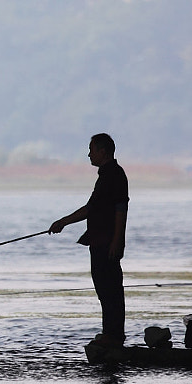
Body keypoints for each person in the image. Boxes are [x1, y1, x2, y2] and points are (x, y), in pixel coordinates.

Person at [49, 133, 128, 355]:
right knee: (104, 290)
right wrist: (64, 222)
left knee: (110, 289)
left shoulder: (114, 175)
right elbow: (91, 209)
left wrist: (117, 240)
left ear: (103, 152)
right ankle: (110, 333)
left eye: (92, 149)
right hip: (98, 241)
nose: (89, 154)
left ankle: (114, 336)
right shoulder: (105, 176)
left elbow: (121, 209)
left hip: (107, 242)